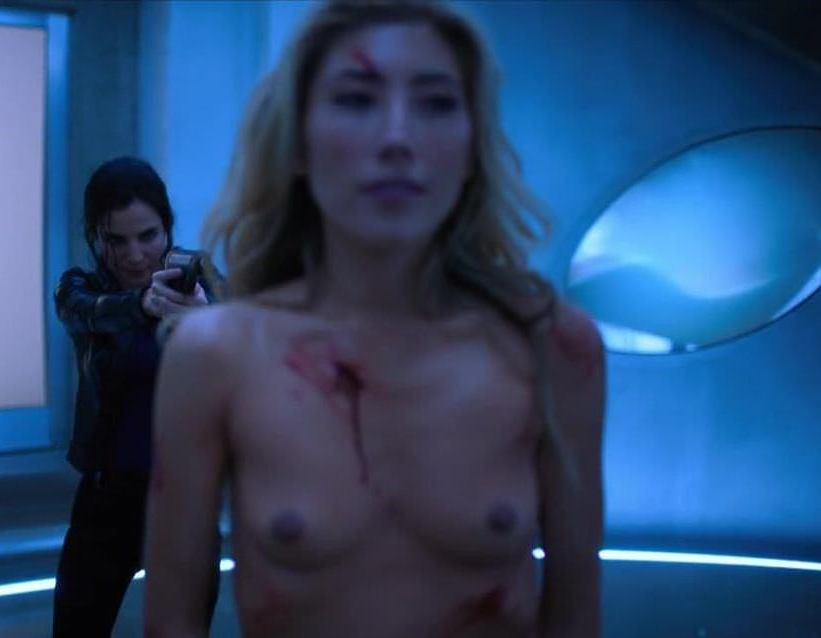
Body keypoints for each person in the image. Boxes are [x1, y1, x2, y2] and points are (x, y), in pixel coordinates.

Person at [143, 1, 605, 637]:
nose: (397, 138)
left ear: (471, 146)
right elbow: (171, 623)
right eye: (357, 100)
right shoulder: (216, 356)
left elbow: (576, 615)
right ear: (297, 144)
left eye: (436, 103)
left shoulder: (551, 350)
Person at [51, 156, 220, 637]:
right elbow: (81, 310)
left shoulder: (199, 279)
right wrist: (143, 306)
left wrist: (207, 322)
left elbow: (250, 339)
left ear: (167, 229)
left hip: (185, 500)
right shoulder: (83, 287)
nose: (135, 255)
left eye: (148, 236)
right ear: (95, 237)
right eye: (116, 240)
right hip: (107, 499)